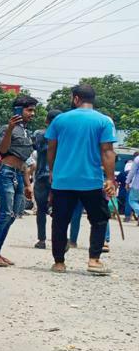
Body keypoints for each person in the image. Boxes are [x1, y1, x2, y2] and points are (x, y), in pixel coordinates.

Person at [47, 84, 116, 275]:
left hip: (63, 180)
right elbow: (107, 151)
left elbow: (51, 148)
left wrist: (52, 170)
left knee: (60, 221)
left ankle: (59, 263)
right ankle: (94, 260)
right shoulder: (104, 121)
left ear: (76, 99)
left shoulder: (60, 120)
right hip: (91, 180)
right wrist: (110, 179)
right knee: (99, 219)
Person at [0, 95, 38, 267]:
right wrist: (9, 129)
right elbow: (3, 150)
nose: (32, 113)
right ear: (18, 110)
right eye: (29, 110)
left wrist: (28, 184)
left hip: (18, 174)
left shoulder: (26, 132)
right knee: (5, 214)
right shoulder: (8, 128)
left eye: (33, 110)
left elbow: (24, 162)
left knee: (13, 215)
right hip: (6, 173)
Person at [31, 110, 60, 248]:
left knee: (41, 210)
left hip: (42, 175)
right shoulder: (64, 136)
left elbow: (34, 147)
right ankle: (59, 239)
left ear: (47, 121)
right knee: (60, 210)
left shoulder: (39, 134)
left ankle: (42, 240)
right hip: (59, 177)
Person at [126, 152, 139, 223]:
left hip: (137, 185)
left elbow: (132, 172)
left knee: (132, 201)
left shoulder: (137, 159)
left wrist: (127, 182)